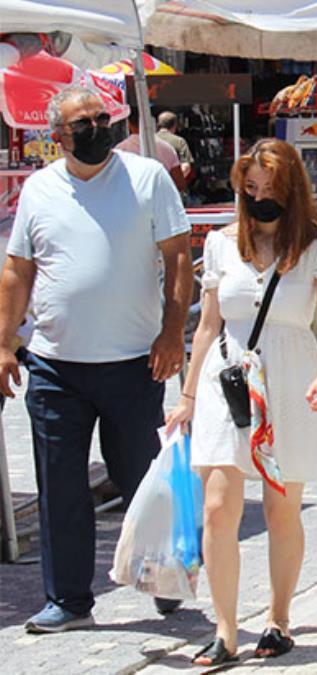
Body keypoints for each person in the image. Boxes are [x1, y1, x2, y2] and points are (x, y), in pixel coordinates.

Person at [0, 87, 192, 633]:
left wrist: (172, 333)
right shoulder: (40, 189)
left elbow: (179, 259)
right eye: (82, 123)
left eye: (101, 118)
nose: (95, 128)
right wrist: (4, 343)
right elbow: (17, 271)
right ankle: (68, 600)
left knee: (143, 480)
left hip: (134, 362)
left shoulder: (146, 178)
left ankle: (163, 577)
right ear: (57, 135)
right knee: (60, 486)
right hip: (55, 365)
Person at [164, 139, 317, 665]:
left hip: (289, 378)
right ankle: (226, 631)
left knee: (280, 507)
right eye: (251, 188)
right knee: (218, 506)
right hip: (227, 380)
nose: (260, 197)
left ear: (292, 190)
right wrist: (186, 396)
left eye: (271, 188)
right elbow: (207, 326)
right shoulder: (221, 243)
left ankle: (279, 618)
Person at [115, 105, 186, 192]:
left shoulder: (119, 150)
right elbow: (180, 184)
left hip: (130, 197)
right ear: (151, 122)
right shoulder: (167, 148)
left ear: (129, 124)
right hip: (159, 197)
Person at [156, 110, 194, 184]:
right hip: (173, 184)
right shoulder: (179, 141)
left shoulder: (150, 140)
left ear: (158, 124)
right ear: (174, 125)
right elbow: (186, 167)